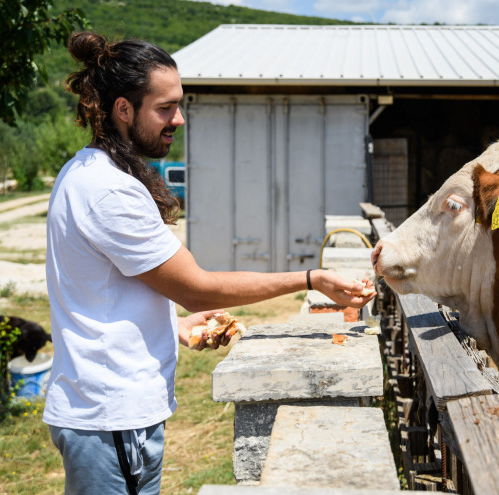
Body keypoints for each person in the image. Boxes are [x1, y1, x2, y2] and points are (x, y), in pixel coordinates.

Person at [43, 31, 374, 495]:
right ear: (123, 109)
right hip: (111, 417)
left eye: (179, 105)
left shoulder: (94, 172)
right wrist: (310, 278)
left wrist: (173, 327)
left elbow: (106, 288)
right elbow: (197, 286)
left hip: (113, 413)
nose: (178, 118)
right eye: (164, 108)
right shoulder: (108, 190)